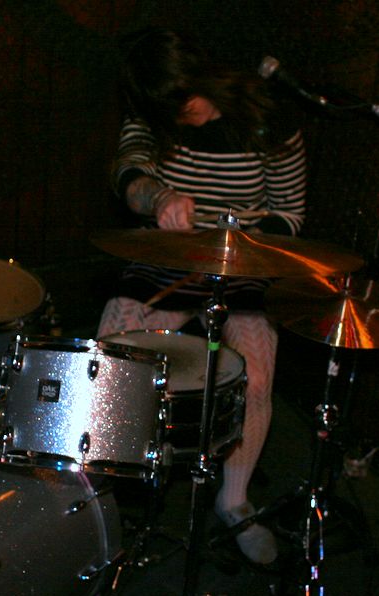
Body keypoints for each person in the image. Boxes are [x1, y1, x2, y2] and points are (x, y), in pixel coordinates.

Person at [97, 26, 306, 565]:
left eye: (184, 99)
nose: (179, 113)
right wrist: (158, 197)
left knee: (256, 376)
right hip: (165, 262)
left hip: (242, 269)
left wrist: (245, 242)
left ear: (202, 75)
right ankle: (105, 494)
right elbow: (129, 174)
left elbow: (290, 214)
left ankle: (233, 501)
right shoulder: (153, 112)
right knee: (114, 355)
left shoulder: (269, 119)